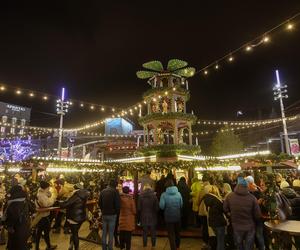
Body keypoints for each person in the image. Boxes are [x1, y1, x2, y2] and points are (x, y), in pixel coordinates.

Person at [223, 176, 261, 250]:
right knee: (249, 246)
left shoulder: (230, 196)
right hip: (249, 226)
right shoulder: (252, 198)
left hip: (236, 226)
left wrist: (230, 215)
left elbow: (225, 208)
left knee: (239, 245)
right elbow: (257, 215)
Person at [59, 183, 90, 250]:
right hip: (81, 217)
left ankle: (76, 248)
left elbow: (66, 204)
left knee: (75, 234)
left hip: (74, 218)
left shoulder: (76, 196)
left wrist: (58, 203)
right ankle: (71, 246)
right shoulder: (84, 194)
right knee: (74, 233)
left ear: (75, 189)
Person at [4, 185, 31, 250]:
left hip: (15, 229)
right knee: (23, 244)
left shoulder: (11, 202)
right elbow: (33, 209)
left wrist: (9, 226)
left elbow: (12, 216)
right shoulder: (25, 200)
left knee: (14, 245)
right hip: (25, 227)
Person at [159, 179, 183, 250]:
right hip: (177, 216)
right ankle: (178, 246)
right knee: (177, 232)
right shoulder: (178, 193)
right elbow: (181, 205)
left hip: (168, 217)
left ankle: (173, 248)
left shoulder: (164, 194)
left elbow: (161, 206)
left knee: (171, 234)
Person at [35, 181, 57, 250]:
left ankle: (37, 247)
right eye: (48, 187)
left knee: (39, 232)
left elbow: (48, 196)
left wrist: (49, 194)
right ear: (45, 188)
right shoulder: (41, 195)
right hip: (43, 216)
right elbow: (46, 204)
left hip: (41, 215)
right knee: (46, 231)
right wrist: (52, 199)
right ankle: (49, 246)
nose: (49, 189)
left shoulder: (41, 193)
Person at [99, 179, 120, 250]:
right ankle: (110, 248)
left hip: (104, 214)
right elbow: (117, 205)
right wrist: (116, 212)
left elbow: (100, 203)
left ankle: (104, 248)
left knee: (104, 233)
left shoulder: (103, 191)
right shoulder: (115, 192)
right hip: (112, 215)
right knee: (111, 233)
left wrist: (103, 210)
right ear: (115, 185)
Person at [203, 185, 226, 250]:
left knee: (219, 239)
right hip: (219, 222)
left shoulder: (207, 199)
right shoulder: (216, 200)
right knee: (221, 241)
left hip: (212, 222)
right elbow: (223, 210)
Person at [138, 183, 159, 247]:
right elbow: (157, 208)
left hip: (143, 216)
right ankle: (153, 245)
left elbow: (139, 208)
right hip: (153, 216)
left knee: (144, 232)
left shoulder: (140, 196)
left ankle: (144, 245)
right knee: (153, 231)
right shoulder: (154, 196)